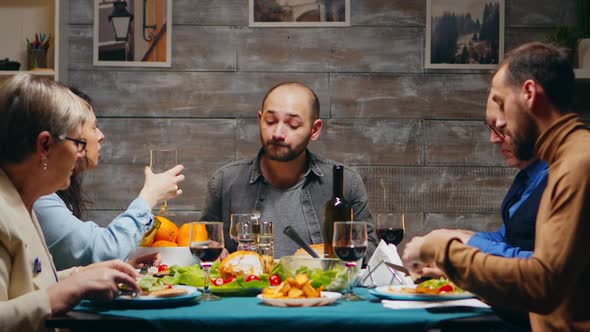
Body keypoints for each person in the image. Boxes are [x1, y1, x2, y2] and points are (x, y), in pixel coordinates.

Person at [403, 42, 590, 331]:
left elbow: (542, 284)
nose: (500, 126)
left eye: (501, 104)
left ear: (529, 94)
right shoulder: (568, 158)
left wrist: (442, 248)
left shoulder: (578, 164)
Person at [0, 74, 140, 332]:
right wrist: (64, 291)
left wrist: (81, 276)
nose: (80, 154)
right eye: (77, 142)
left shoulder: (21, 201)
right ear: (44, 145)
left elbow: (28, 283)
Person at [200, 82, 377, 258]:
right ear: (260, 119)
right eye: (270, 121)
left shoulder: (345, 182)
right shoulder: (225, 181)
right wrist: (213, 253)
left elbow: (369, 249)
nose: (277, 133)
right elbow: (202, 243)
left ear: (314, 130)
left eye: (292, 125)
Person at [33, 88, 185, 270]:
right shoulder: (38, 201)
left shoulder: (41, 196)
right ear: (46, 144)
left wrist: (115, 266)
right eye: (92, 127)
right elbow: (104, 249)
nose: (100, 135)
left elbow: (50, 274)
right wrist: (149, 196)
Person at [421, 97, 548, 278]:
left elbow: (546, 266)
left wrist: (466, 243)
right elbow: (509, 238)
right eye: (491, 127)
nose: (493, 139)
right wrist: (453, 236)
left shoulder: (561, 179)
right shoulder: (527, 176)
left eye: (501, 128)